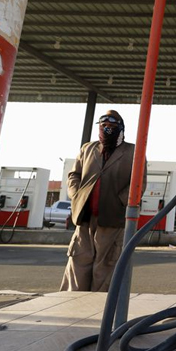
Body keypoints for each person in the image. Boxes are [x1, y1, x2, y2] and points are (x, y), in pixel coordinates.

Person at [60, 110, 145, 292]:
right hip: (85, 217)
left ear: (120, 129)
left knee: (106, 266)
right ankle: (72, 302)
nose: (107, 130)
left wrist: (120, 201)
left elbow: (139, 183)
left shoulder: (133, 152)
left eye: (112, 127)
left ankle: (101, 308)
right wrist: (76, 195)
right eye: (104, 126)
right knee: (78, 260)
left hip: (112, 219)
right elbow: (74, 175)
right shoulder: (87, 149)